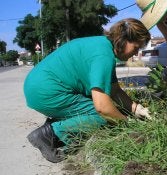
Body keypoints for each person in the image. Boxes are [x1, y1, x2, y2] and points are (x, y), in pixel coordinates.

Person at [24, 18, 152, 163]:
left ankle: (61, 130)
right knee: (104, 117)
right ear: (123, 40)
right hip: (46, 90)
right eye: (135, 48)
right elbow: (102, 109)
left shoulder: (103, 46)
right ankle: (50, 133)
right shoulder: (104, 56)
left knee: (110, 112)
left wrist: (136, 109)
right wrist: (127, 123)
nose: (135, 54)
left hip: (39, 86)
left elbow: (115, 91)